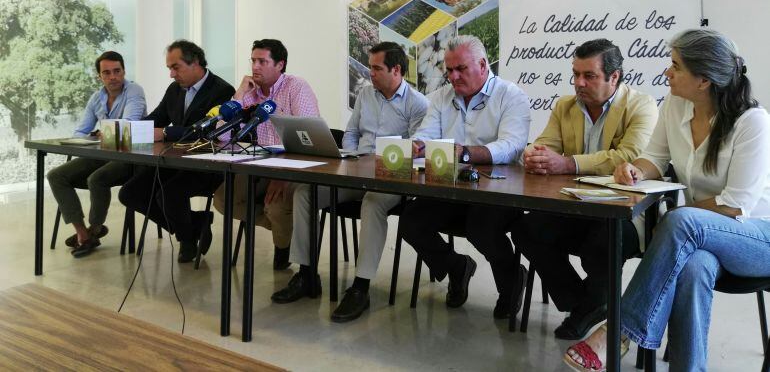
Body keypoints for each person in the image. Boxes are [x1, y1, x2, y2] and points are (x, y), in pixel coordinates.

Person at [564, 29, 770, 372]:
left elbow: (734, 206)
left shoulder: (753, 123)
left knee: (679, 221)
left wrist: (681, 218)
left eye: (675, 66)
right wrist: (634, 170)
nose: (666, 72)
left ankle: (618, 333)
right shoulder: (675, 105)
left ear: (703, 80)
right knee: (694, 266)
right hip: (701, 238)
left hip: (756, 238)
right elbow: (655, 160)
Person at [510, 39, 658, 340]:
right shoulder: (565, 105)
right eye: (575, 73)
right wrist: (534, 155)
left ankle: (589, 305)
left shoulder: (642, 105)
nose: (579, 82)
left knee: (602, 242)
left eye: (588, 75)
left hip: (625, 214)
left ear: (613, 77)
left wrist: (567, 163)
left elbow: (628, 158)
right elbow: (545, 146)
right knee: (525, 228)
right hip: (575, 206)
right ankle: (586, 302)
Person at [271, 42, 429, 323]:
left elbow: (419, 150)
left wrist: (379, 163)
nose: (371, 73)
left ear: (397, 70)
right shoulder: (366, 94)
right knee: (306, 191)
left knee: (372, 202)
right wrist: (350, 154)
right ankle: (306, 274)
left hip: (392, 180)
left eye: (376, 68)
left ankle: (361, 287)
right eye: (369, 67)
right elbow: (351, 133)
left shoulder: (417, 104)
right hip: (356, 171)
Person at [400, 35, 530, 319]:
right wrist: (417, 145)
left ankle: (511, 280)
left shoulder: (511, 95)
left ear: (483, 65)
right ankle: (457, 267)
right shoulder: (442, 97)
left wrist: (467, 153)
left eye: (461, 69)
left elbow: (512, 146)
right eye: (449, 70)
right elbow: (426, 134)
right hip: (453, 187)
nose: (453, 76)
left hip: (499, 192)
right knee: (411, 220)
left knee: (481, 226)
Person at [118, 40, 235, 263]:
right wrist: (125, 130)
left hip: (206, 166)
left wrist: (166, 133)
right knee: (129, 193)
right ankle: (194, 224)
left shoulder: (223, 90)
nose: (172, 74)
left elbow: (209, 131)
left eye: (176, 67)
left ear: (196, 63)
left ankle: (186, 240)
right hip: (174, 162)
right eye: (169, 68)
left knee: (169, 193)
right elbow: (156, 119)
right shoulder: (175, 90)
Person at [212, 39, 319, 269]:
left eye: (262, 61)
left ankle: (282, 247)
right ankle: (283, 230)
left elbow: (308, 140)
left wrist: (283, 175)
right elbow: (222, 136)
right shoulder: (250, 94)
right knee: (222, 200)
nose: (255, 67)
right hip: (258, 165)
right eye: (253, 61)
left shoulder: (296, 87)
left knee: (277, 206)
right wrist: (239, 93)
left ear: (280, 64)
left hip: (292, 167)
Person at [47, 51, 147, 257]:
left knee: (96, 179)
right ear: (99, 76)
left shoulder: (134, 90)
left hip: (132, 156)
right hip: (102, 153)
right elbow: (80, 132)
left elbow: (128, 126)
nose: (113, 77)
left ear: (124, 71)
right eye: (107, 73)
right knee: (55, 176)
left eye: (117, 71)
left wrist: (103, 133)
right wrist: (96, 134)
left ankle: (94, 229)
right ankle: (83, 233)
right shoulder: (96, 97)